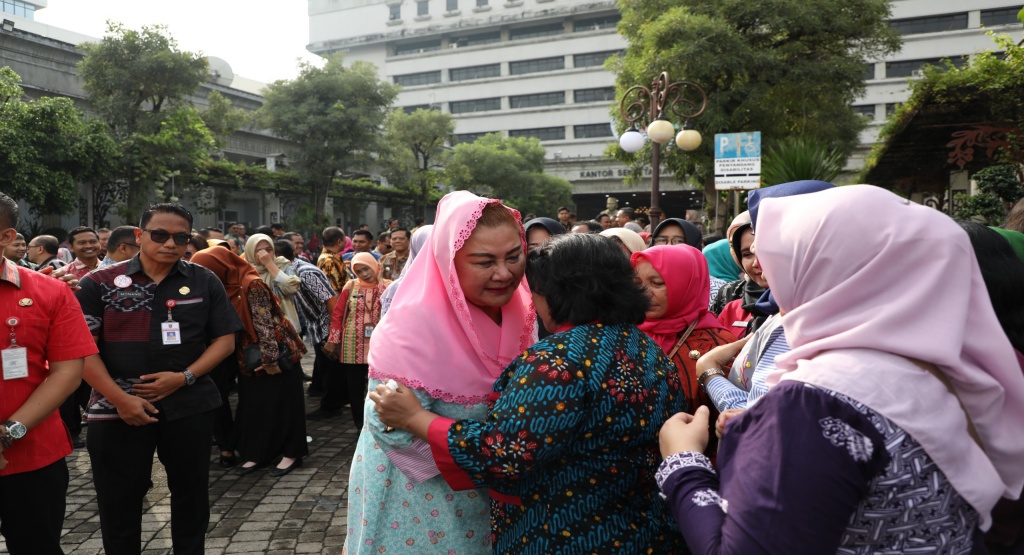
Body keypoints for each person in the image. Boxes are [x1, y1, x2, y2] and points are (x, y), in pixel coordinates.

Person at [659, 184, 1024, 553]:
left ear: (820, 268)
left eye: (781, 259)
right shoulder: (947, 366)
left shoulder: (813, 403)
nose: (769, 275)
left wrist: (683, 463)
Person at [371, 233, 687, 554]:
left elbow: (505, 455)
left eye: (534, 292)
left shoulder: (556, 360)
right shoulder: (645, 346)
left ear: (558, 295)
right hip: (641, 523)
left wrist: (416, 419)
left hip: (568, 531)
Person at [342, 192, 535, 554]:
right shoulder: (413, 324)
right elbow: (391, 427)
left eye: (514, 256)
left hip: (496, 487)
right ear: (448, 260)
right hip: (424, 498)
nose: (504, 273)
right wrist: (489, 463)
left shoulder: (522, 310)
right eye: (484, 261)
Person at [76, 203, 242, 555]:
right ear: (139, 236)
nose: (170, 243)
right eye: (160, 234)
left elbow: (225, 340)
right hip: (116, 406)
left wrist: (183, 377)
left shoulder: (202, 280)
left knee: (191, 494)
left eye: (180, 237)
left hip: (189, 403)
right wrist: (120, 399)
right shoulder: (99, 283)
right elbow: (81, 350)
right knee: (118, 500)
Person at [0, 193, 98, 555]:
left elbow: (68, 373)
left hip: (33, 455)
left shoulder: (51, 291)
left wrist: (8, 433)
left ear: (6, 237)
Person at [190, 247, 308, 478]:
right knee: (256, 407)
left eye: (207, 270)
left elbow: (265, 326)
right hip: (248, 357)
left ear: (220, 267)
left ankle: (291, 453)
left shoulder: (250, 284)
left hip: (273, 355)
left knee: (284, 405)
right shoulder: (225, 287)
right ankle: (259, 452)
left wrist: (270, 360)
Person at [633, 245, 737, 448]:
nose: (644, 293)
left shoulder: (719, 346)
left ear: (687, 284)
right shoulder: (621, 334)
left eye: (657, 283)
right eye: (636, 284)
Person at [322, 253, 390, 429]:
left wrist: (381, 280)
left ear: (374, 265)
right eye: (359, 271)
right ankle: (361, 425)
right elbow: (337, 315)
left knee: (379, 387)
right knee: (355, 389)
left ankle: (381, 422)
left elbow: (391, 309)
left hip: (381, 344)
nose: (364, 274)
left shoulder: (388, 286)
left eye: (366, 268)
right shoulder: (351, 286)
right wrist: (333, 340)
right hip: (352, 344)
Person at [710, 212, 767, 338]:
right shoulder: (729, 293)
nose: (756, 262)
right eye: (732, 245)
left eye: (762, 250)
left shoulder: (797, 301)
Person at [244, 233, 302, 333]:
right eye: (260, 251)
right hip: (258, 330)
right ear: (250, 252)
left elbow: (291, 288)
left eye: (269, 249)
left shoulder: (283, 265)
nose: (265, 254)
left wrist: (269, 264)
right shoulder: (244, 269)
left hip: (286, 329)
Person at [380, 225, 431, 318]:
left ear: (409, 241)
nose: (397, 241)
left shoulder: (414, 257)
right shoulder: (384, 259)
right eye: (394, 239)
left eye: (401, 238)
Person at [317, 226, 349, 294]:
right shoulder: (328, 260)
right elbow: (333, 291)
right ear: (339, 242)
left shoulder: (332, 258)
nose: (346, 243)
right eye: (345, 241)